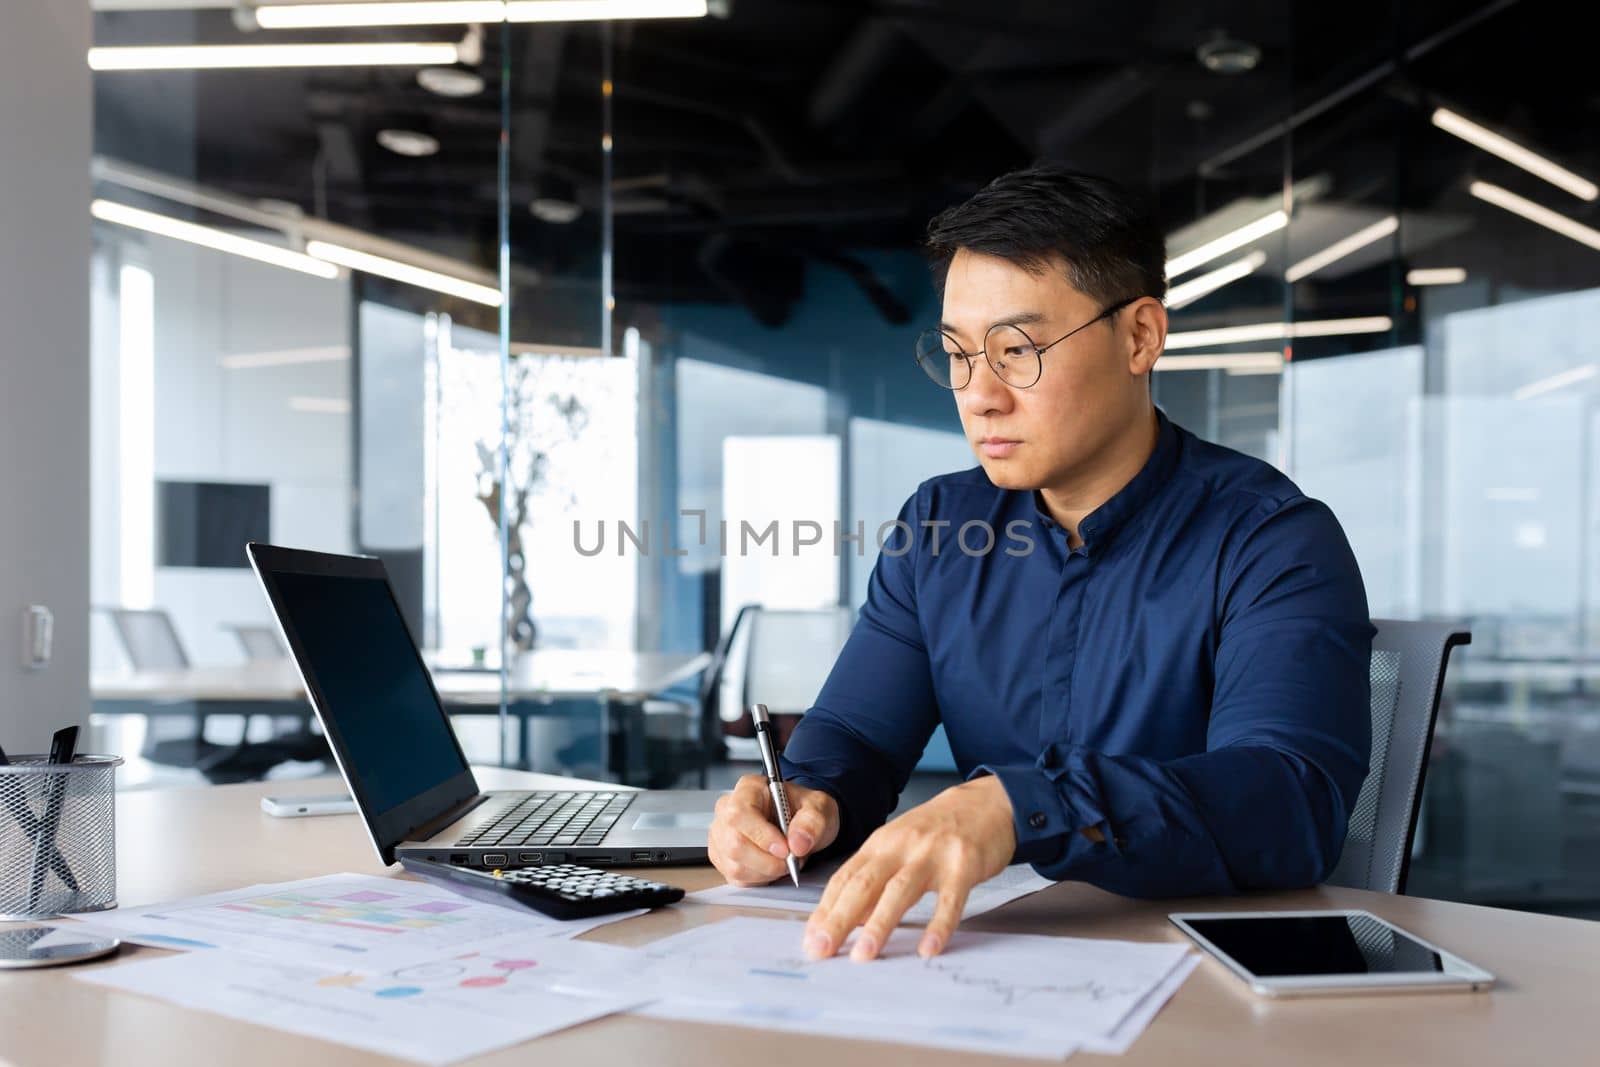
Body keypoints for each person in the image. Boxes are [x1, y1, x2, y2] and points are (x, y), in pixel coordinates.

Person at [707, 165, 1373, 964]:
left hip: (1206, 972)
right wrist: (805, 806)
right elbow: (856, 735)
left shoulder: (1271, 539)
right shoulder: (940, 525)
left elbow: (1291, 801)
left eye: (1016, 350)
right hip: (991, 960)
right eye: (956, 354)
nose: (978, 395)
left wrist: (1022, 807)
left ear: (1140, 337)